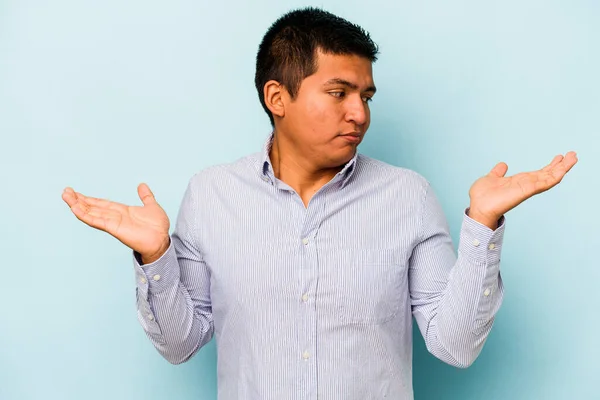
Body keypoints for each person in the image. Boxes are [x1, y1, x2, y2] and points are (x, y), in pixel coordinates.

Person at [62, 7, 577, 400]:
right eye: (338, 92)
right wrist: (156, 258)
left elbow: (455, 345)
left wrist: (483, 223)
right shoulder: (212, 194)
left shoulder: (407, 195)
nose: (359, 113)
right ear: (277, 97)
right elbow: (180, 344)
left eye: (366, 96)